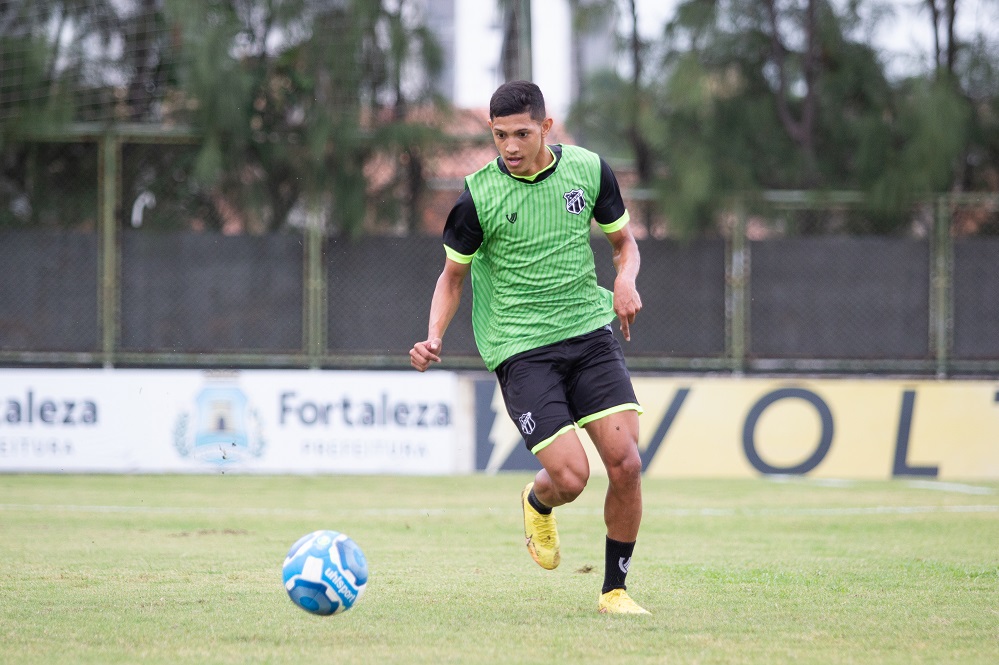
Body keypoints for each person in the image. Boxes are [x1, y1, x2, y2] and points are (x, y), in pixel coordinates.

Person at [410, 80, 648, 615]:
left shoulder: (588, 171)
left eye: (522, 133)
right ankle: (538, 501)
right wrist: (434, 337)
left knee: (627, 464)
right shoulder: (476, 197)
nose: (511, 147)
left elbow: (623, 244)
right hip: (521, 346)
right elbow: (451, 278)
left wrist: (626, 280)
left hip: (588, 332)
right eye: (499, 136)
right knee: (571, 477)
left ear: (546, 127)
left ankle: (614, 591)